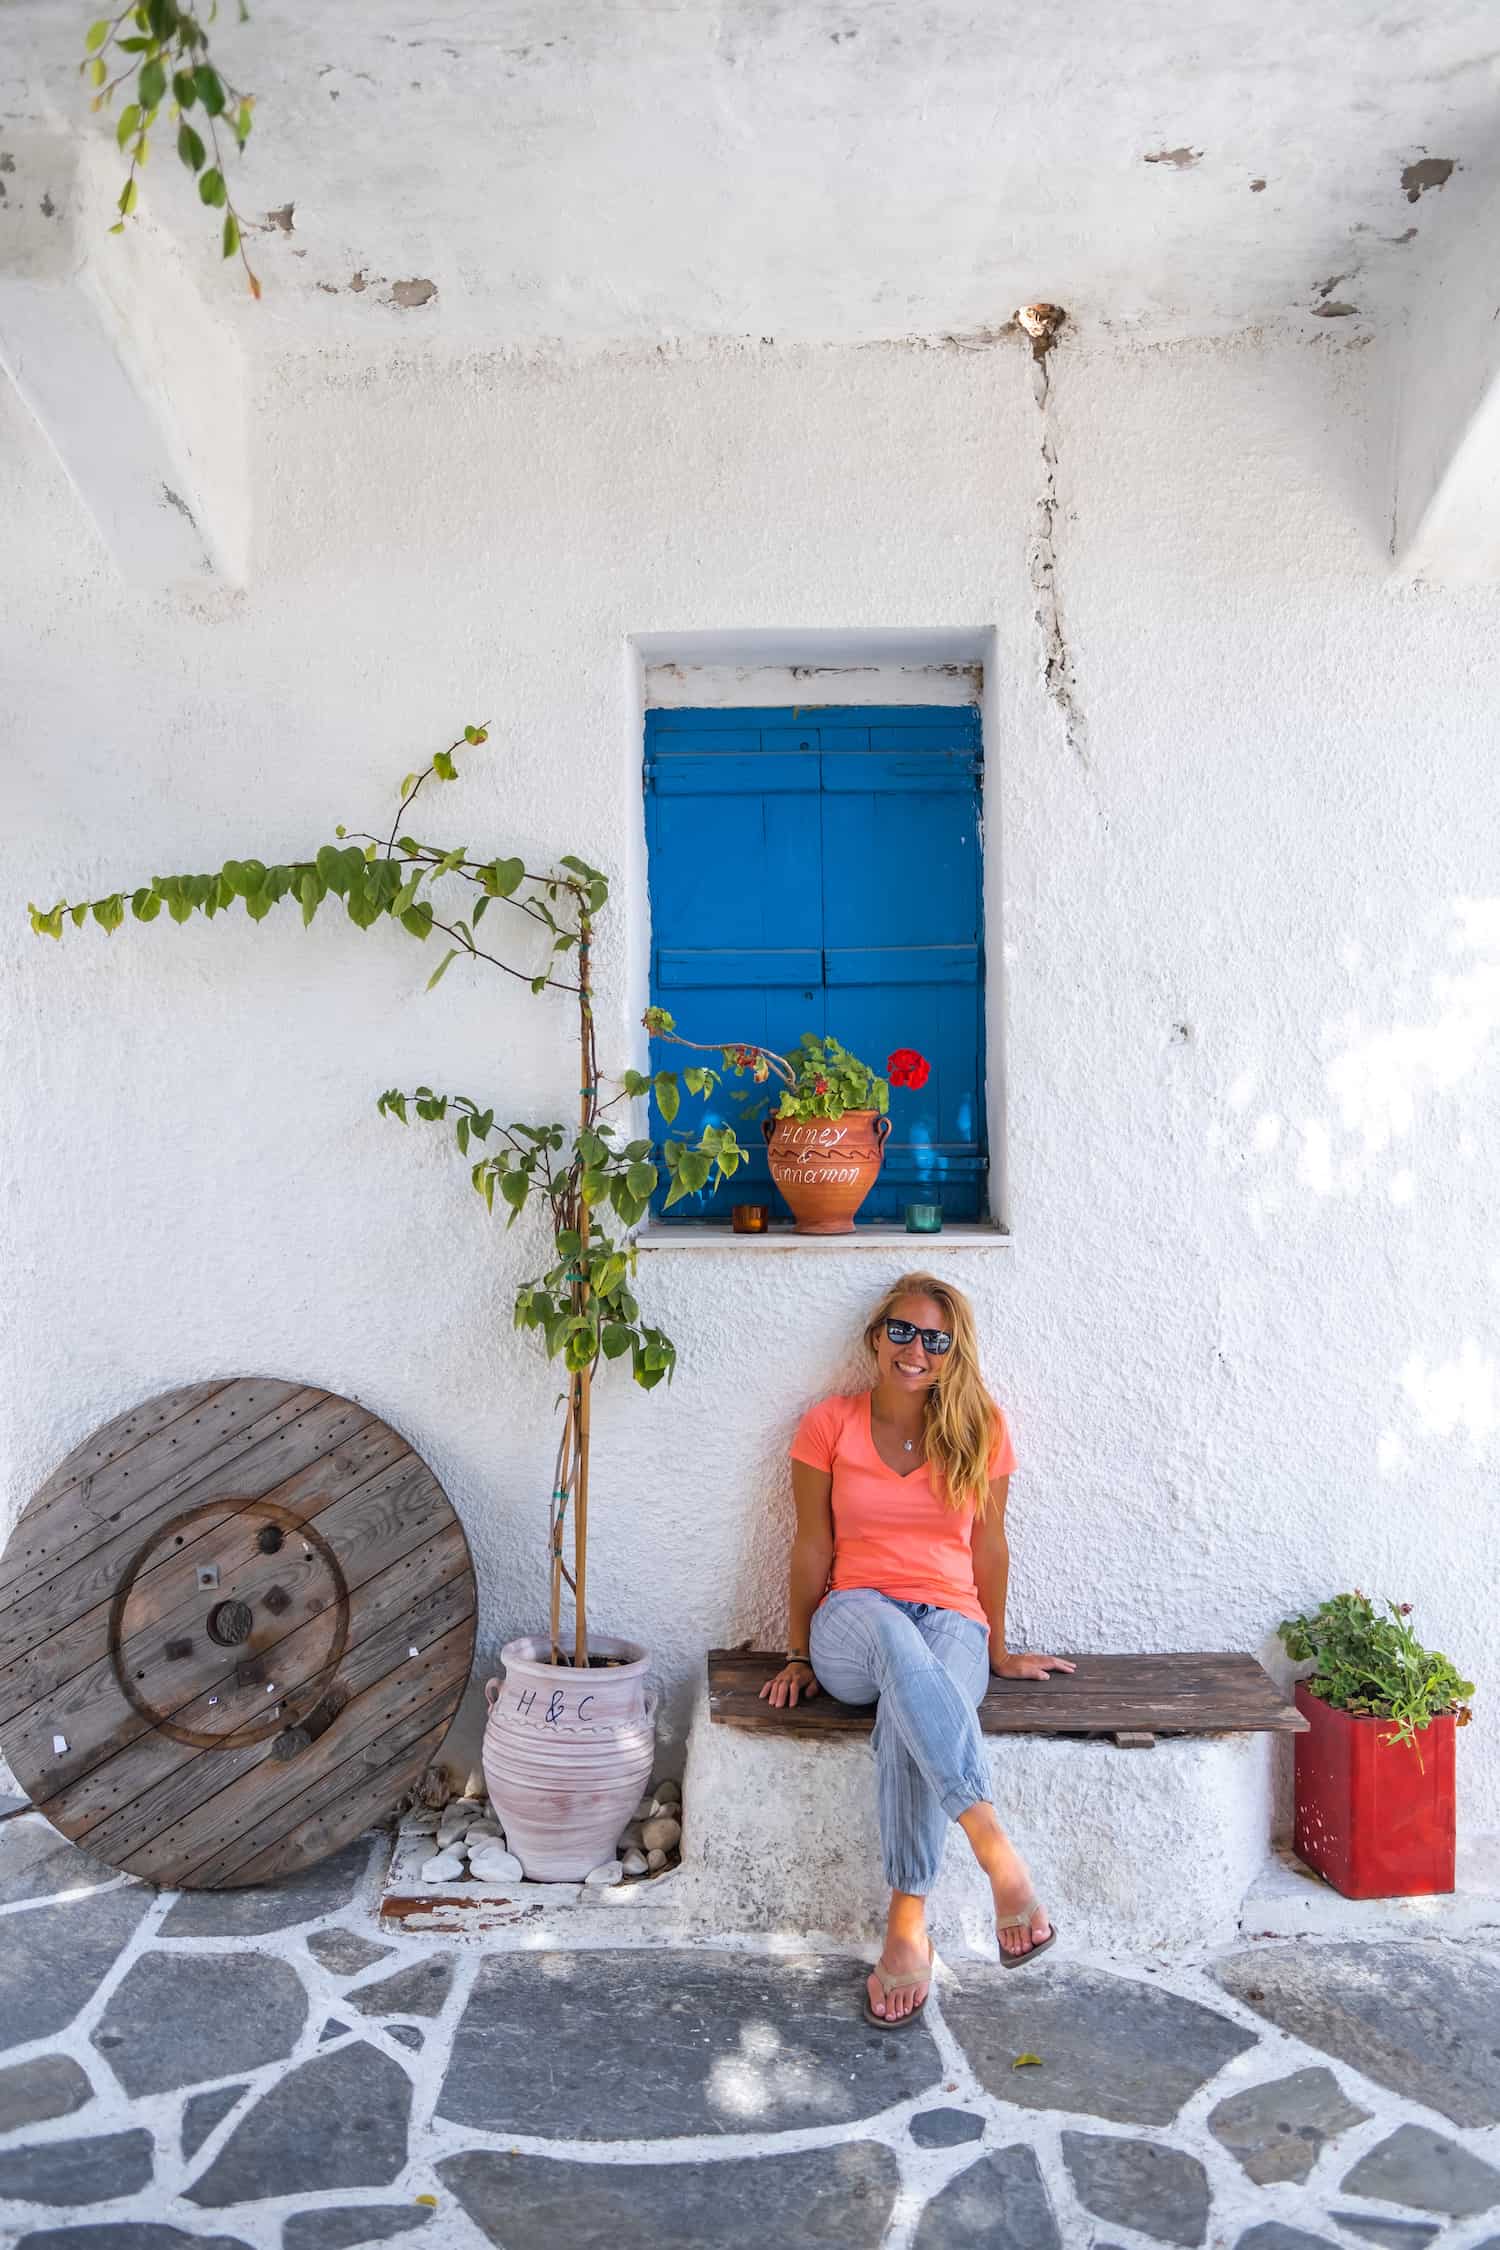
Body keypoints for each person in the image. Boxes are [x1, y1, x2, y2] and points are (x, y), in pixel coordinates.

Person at [760, 1272, 1074, 2027]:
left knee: (915, 1694)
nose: (916, 1350)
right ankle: (995, 1848)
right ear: (876, 1337)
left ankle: (906, 1926)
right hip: (853, 1622)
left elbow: (989, 1547)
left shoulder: (980, 1427)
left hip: (953, 1624)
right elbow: (811, 1546)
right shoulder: (828, 1424)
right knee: (897, 1645)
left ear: (952, 1352)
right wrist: (799, 1652)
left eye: (936, 1340)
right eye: (902, 1331)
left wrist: (996, 1649)